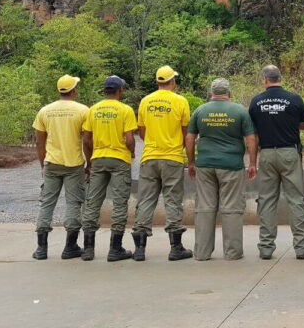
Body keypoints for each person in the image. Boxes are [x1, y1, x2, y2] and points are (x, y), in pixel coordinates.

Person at [185, 78, 258, 261]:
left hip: (205, 165)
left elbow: (189, 138)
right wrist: (252, 163)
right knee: (232, 208)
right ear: (229, 94)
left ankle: (202, 253)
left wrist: (192, 162)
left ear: (211, 93)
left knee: (204, 208)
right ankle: (232, 253)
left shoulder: (200, 110)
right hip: (231, 165)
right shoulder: (240, 111)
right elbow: (251, 138)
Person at [249, 65, 304, 260]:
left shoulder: (256, 101)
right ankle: (302, 248)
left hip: (267, 153)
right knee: (295, 199)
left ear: (264, 80)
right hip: (289, 153)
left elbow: (253, 132)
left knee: (267, 200)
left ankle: (266, 248)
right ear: (281, 78)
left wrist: (253, 160)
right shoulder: (294, 99)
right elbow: (303, 124)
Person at [131, 65, 193, 262]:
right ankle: (176, 248)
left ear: (158, 82)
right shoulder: (180, 101)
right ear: (172, 82)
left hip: (149, 157)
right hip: (172, 158)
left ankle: (140, 249)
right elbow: (186, 133)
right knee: (173, 200)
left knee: (146, 200)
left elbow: (142, 132)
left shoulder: (145, 101)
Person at [31, 74, 90, 260]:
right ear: (74, 91)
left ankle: (41, 248)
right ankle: (70, 247)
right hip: (74, 165)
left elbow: (40, 143)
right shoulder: (83, 111)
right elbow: (88, 140)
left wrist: (43, 164)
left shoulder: (45, 111)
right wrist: (89, 162)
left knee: (47, 203)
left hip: (51, 163)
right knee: (73, 203)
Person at [81, 75, 137, 262]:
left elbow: (86, 139)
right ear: (120, 91)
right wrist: (131, 152)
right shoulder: (126, 110)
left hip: (98, 159)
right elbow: (130, 139)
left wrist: (89, 161)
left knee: (93, 202)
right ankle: (115, 249)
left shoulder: (93, 110)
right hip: (119, 159)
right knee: (119, 203)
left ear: (105, 91)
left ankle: (88, 249)